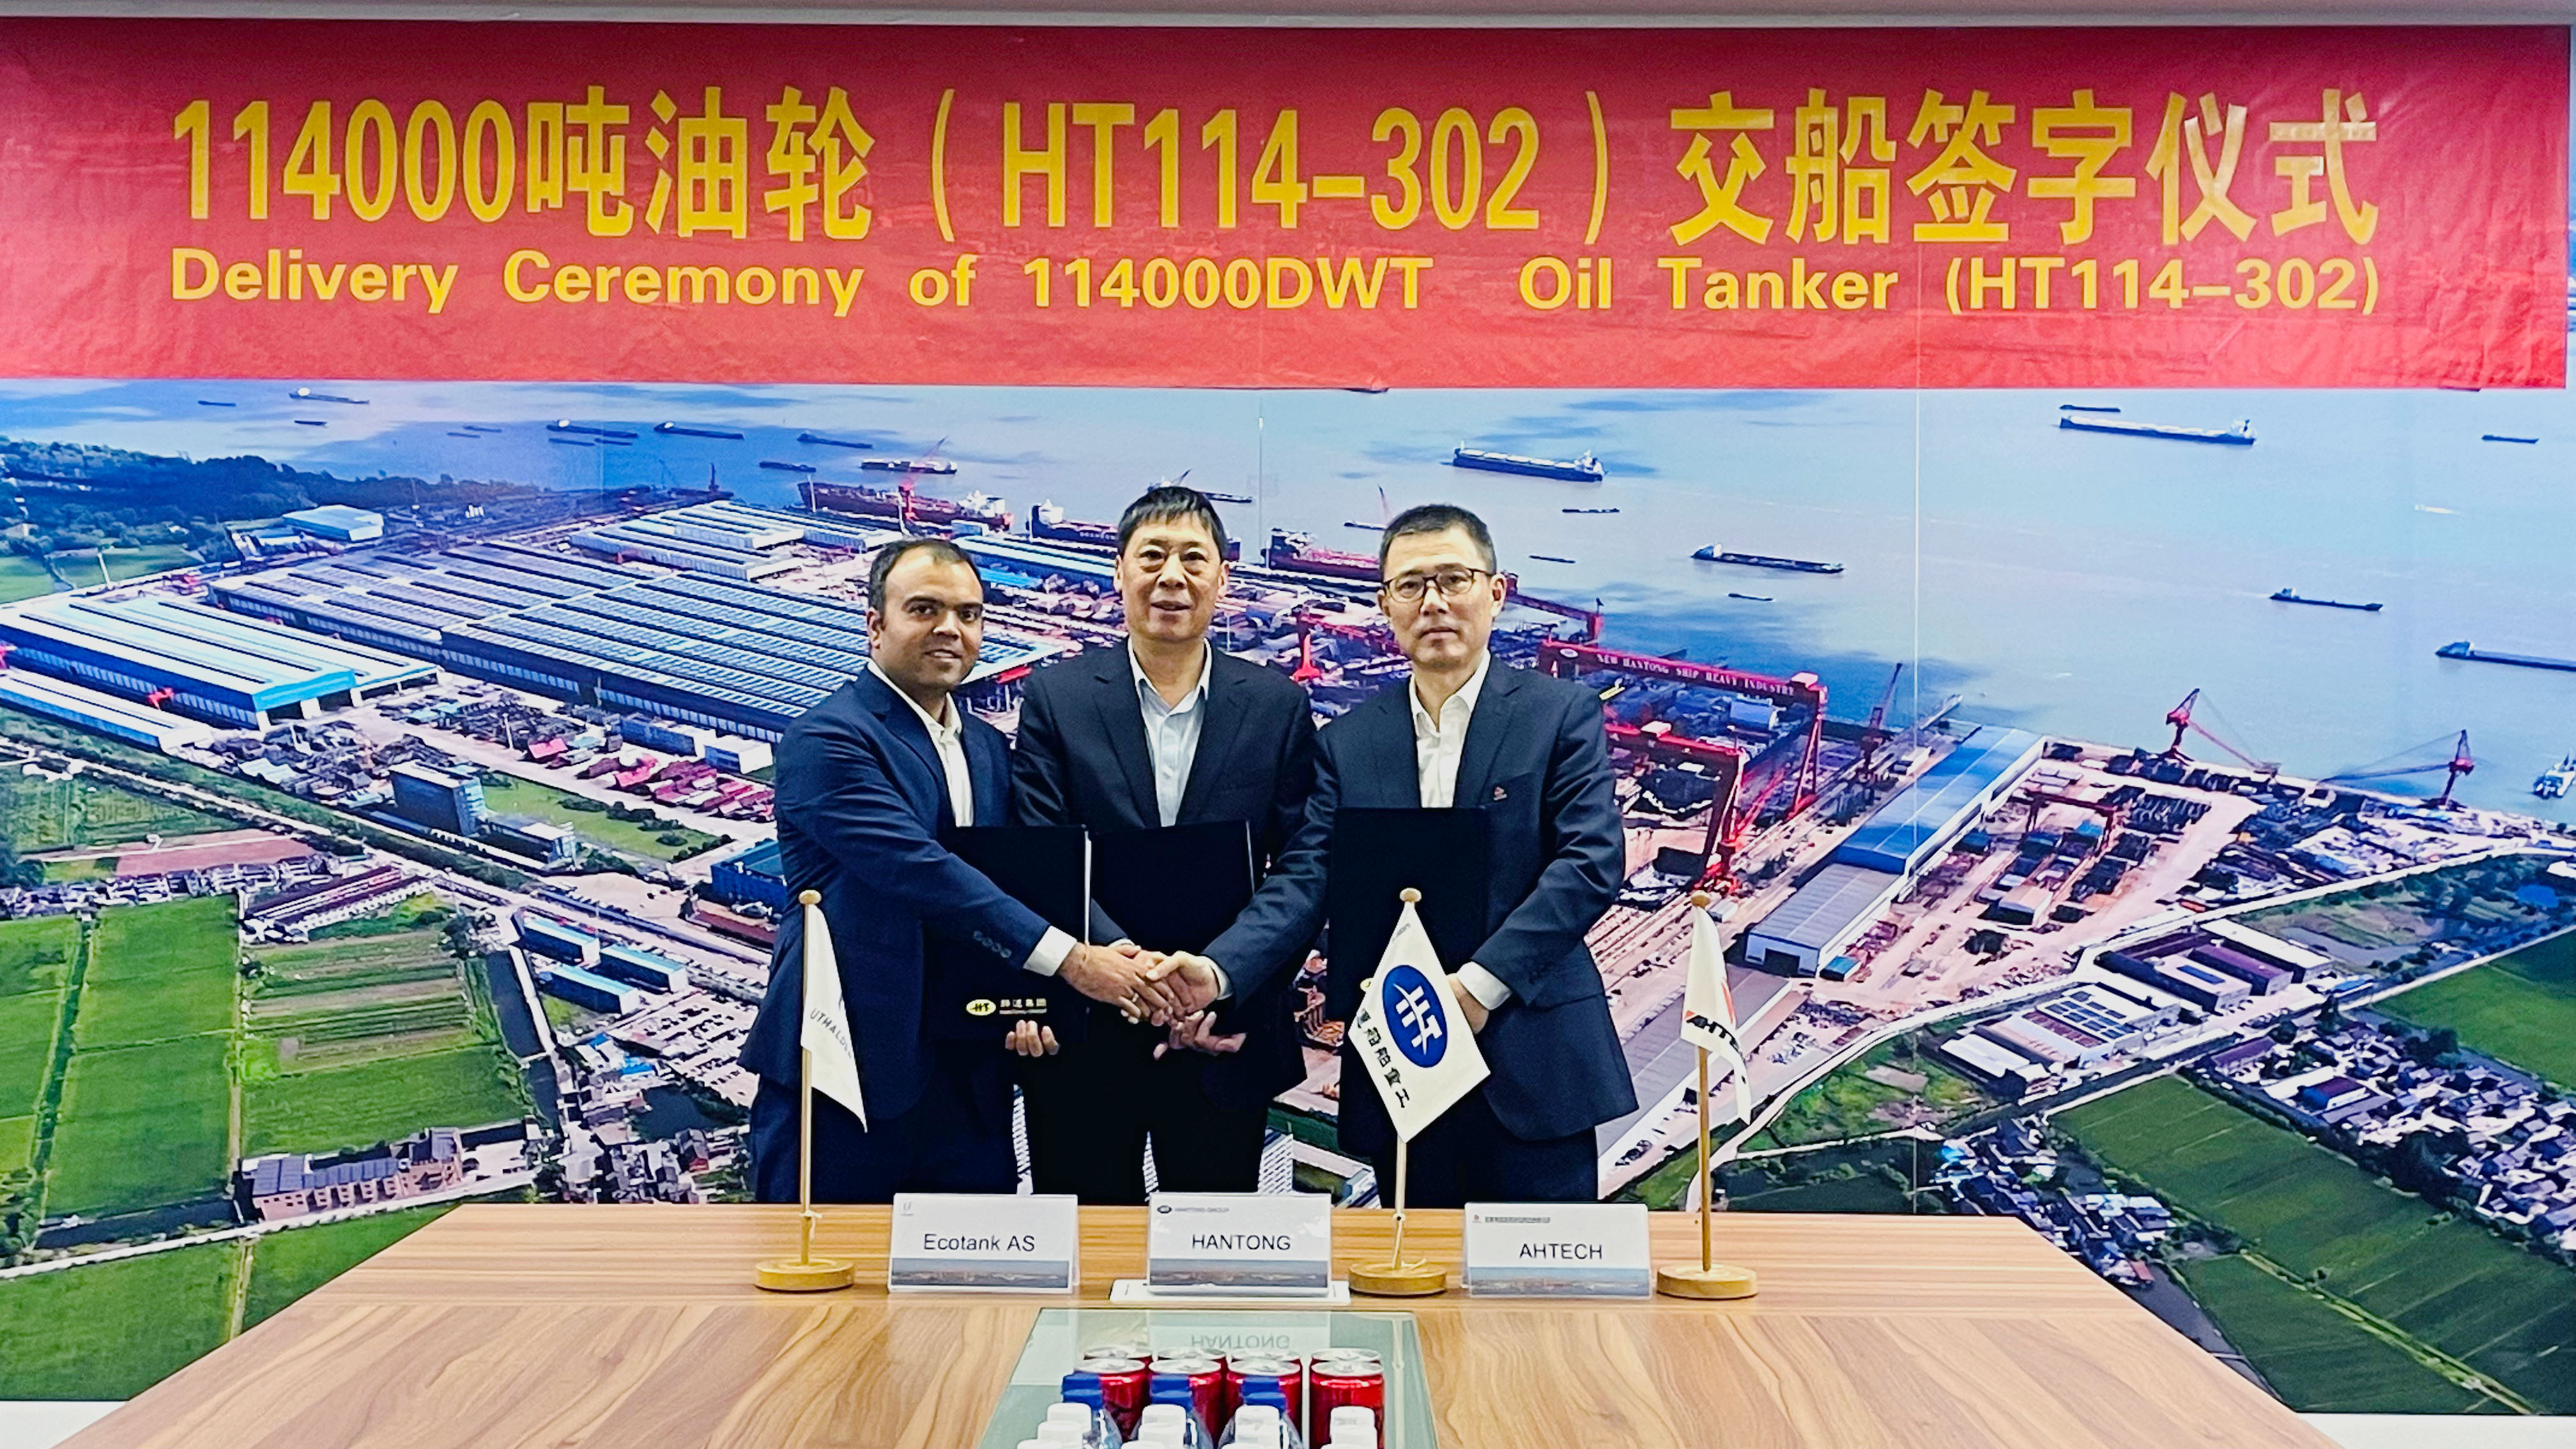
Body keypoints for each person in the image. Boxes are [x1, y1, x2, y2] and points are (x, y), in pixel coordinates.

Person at [1157, 503, 1634, 1204]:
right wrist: (1217, 970)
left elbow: (1590, 862)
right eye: (1410, 585)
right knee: (1414, 1267)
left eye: (1453, 579)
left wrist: (1478, 988)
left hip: (1536, 1065)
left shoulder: (1559, 714)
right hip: (1400, 1066)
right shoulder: (1348, 743)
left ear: (1496, 592)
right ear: (1386, 605)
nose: (1433, 602)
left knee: (1539, 1273)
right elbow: (1308, 877)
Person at [737, 537, 1165, 1202]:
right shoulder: (828, 739)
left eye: (968, 614)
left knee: (969, 1266)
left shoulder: (987, 746)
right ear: (875, 625)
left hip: (970, 1081)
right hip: (846, 1074)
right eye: (924, 610)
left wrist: (1125, 954)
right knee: (828, 1267)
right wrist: (1075, 962)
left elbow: (1031, 873)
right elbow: (922, 871)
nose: (949, 629)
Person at [1009, 484, 1318, 1201]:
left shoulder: (1277, 706)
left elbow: (1305, 865)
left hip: (1221, 1034)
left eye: (1192, 559)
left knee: (1211, 1250)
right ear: (1119, 571)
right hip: (1086, 1027)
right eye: (1152, 557)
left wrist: (1218, 975)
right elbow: (1043, 850)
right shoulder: (1057, 698)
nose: (1171, 577)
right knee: (1087, 1244)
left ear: (1222, 578)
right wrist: (1130, 972)